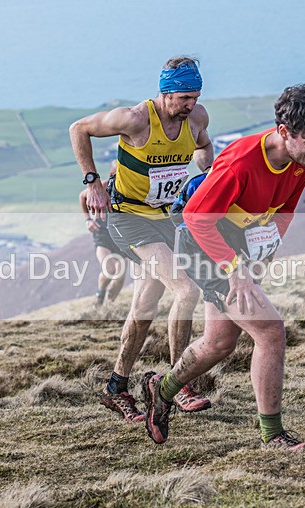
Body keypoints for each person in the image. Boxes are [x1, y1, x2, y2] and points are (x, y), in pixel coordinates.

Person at [141, 84, 305, 449]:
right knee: (271, 331)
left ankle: (161, 389)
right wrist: (236, 269)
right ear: (284, 132)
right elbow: (197, 218)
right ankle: (273, 436)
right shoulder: (241, 163)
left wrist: (265, 253)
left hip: (238, 243)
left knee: (219, 342)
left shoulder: (302, 158)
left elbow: (285, 209)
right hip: (203, 244)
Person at [69, 55, 215, 422]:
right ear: (165, 93)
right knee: (186, 289)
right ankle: (177, 383)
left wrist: (209, 174)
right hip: (128, 217)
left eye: (195, 96)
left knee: (145, 306)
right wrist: (93, 182)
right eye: (183, 98)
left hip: (165, 217)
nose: (190, 105)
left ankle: (116, 387)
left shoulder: (196, 119)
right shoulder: (134, 119)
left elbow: (204, 146)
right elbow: (78, 128)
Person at [79, 160, 128, 305]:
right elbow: (82, 196)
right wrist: (87, 219)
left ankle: (108, 307)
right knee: (110, 269)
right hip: (103, 232)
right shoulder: (104, 186)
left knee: (120, 276)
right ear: (112, 174)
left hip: (121, 234)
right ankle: (99, 297)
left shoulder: (131, 187)